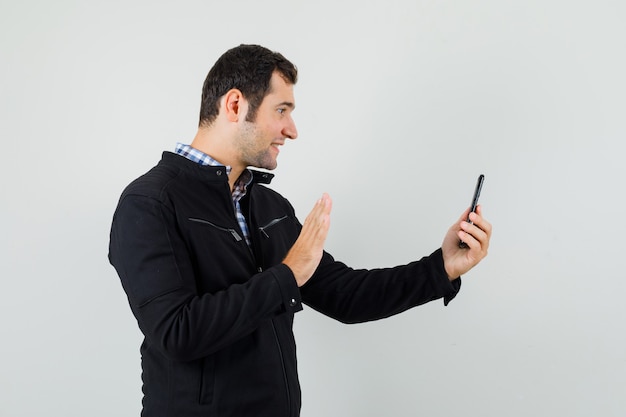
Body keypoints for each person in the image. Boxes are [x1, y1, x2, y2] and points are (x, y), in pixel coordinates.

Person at [108, 44, 492, 417]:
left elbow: (346, 296)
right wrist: (286, 276)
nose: (291, 130)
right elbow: (177, 332)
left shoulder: (268, 207)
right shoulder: (150, 203)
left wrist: (441, 268)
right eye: (282, 110)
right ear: (235, 105)